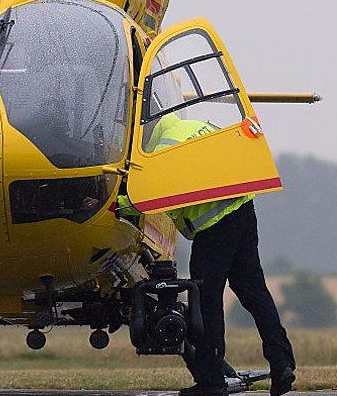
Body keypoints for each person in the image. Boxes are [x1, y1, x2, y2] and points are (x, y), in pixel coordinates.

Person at [125, 113, 297, 396]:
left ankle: (211, 381)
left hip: (213, 228)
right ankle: (282, 363)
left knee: (206, 302)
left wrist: (118, 205)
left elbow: (152, 196)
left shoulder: (161, 149)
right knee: (255, 292)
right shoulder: (200, 127)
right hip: (244, 210)